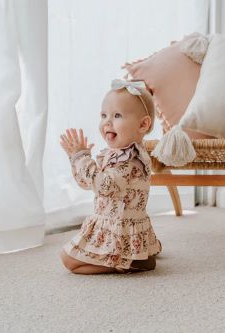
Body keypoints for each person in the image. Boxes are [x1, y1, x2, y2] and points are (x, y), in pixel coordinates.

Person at [59, 79, 162, 274]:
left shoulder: (129, 160)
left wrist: (83, 159)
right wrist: (76, 158)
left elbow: (105, 185)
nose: (107, 121)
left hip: (117, 226)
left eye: (117, 115)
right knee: (69, 256)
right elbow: (89, 184)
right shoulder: (116, 153)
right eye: (104, 115)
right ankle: (133, 258)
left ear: (143, 124)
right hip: (108, 222)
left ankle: (126, 263)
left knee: (70, 262)